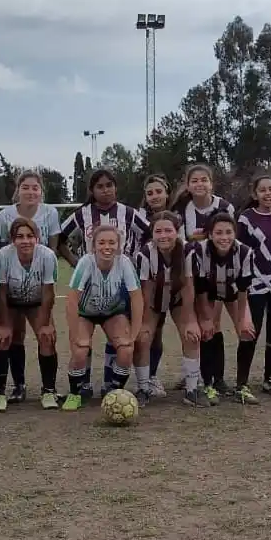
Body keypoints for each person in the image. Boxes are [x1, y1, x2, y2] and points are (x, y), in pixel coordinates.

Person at [59, 168, 149, 396]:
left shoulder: (128, 213)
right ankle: (80, 389)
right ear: (92, 190)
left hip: (118, 290)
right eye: (100, 186)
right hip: (88, 294)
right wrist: (75, 261)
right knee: (81, 346)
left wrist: (138, 257)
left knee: (124, 344)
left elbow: (150, 234)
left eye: (109, 185)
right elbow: (60, 238)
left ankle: (113, 387)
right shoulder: (82, 214)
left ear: (116, 187)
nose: (105, 190)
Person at [0, 171, 61, 403]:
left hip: (36, 299)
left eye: (29, 236)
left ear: (37, 237)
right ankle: (17, 387)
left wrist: (44, 323)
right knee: (9, 337)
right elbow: (1, 292)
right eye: (19, 236)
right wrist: (3, 323)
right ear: (12, 239)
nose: (24, 240)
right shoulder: (3, 256)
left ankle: (49, 390)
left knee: (47, 337)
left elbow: (49, 293)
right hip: (11, 299)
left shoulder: (47, 255)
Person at [63, 225, 143, 411]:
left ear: (118, 245)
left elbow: (137, 298)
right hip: (85, 313)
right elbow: (72, 299)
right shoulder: (86, 262)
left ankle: (114, 391)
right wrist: (74, 333)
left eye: (111, 242)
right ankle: (76, 392)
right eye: (101, 242)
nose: (107, 247)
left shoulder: (124, 262)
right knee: (80, 349)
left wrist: (134, 333)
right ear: (93, 246)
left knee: (126, 349)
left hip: (113, 312)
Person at [134, 211, 208, 407]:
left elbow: (188, 286)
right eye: (158, 231)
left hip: (177, 298)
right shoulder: (144, 253)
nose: (163, 235)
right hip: (154, 300)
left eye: (168, 230)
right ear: (152, 234)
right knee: (143, 338)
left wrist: (191, 320)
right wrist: (145, 323)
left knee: (191, 334)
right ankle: (143, 388)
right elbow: (146, 292)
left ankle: (192, 389)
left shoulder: (187, 251)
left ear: (177, 232)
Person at [236, 176, 271, 399]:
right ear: (254, 194)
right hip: (255, 284)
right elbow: (240, 251)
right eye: (263, 190)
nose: (268, 193)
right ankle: (242, 382)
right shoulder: (245, 219)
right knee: (251, 331)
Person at [189, 212, 254, 405]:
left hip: (233, 291)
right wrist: (206, 318)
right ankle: (210, 383)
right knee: (208, 330)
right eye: (218, 233)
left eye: (228, 232)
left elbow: (243, 290)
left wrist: (242, 318)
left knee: (247, 331)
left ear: (235, 233)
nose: (224, 237)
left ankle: (242, 385)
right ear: (210, 234)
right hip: (207, 293)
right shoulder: (199, 251)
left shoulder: (244, 252)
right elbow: (200, 290)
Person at [138, 174, 172, 396]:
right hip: (141, 280)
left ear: (167, 193)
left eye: (158, 191)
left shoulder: (175, 218)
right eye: (149, 193)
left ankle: (152, 376)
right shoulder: (138, 217)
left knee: (158, 330)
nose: (154, 196)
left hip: (170, 282)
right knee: (143, 330)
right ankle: (140, 378)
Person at [170, 163, 234, 242]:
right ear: (188, 186)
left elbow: (231, 239)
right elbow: (180, 243)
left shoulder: (226, 207)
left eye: (204, 180)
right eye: (194, 181)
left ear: (211, 184)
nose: (199, 184)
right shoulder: (180, 209)